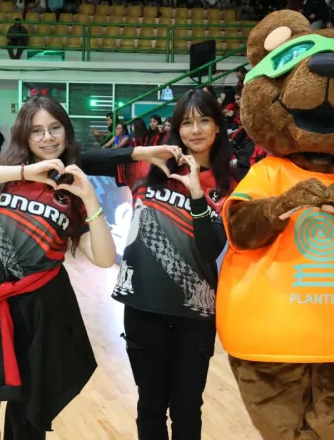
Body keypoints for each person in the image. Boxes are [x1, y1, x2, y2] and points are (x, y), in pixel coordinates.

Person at [0, 96, 116, 439]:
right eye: (36, 131)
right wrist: (24, 172)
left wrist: (90, 198)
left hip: (37, 314)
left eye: (55, 128)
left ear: (66, 132)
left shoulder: (73, 191)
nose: (47, 137)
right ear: (24, 136)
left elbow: (103, 258)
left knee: (26, 425)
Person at [80, 89, 239, 440]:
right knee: (150, 406)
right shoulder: (148, 167)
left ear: (218, 126)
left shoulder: (230, 183)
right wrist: (138, 151)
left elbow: (210, 247)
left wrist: (197, 194)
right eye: (187, 122)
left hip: (195, 313)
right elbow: (80, 159)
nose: (195, 130)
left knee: (187, 409)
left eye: (204, 121)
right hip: (143, 306)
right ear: (176, 128)